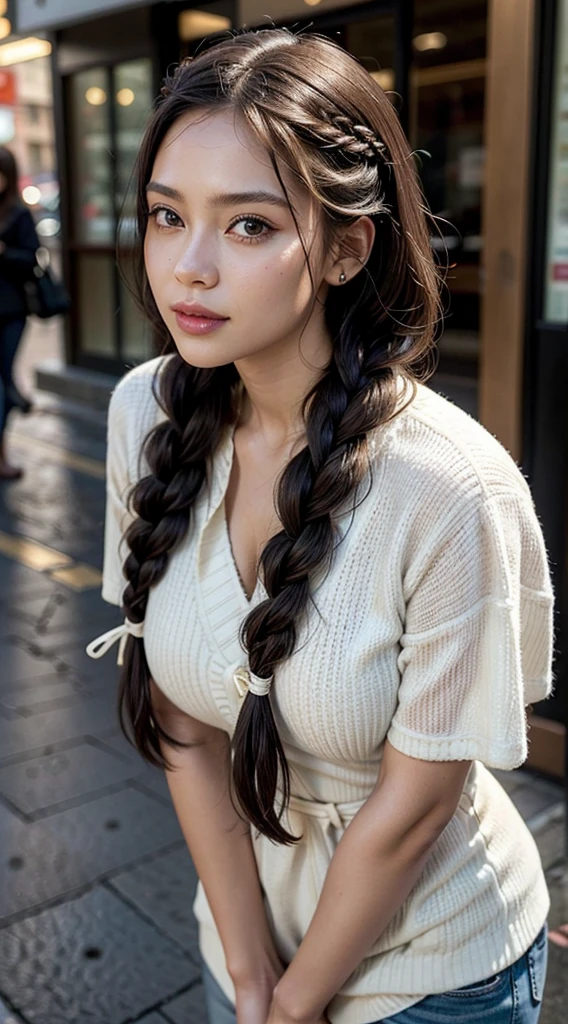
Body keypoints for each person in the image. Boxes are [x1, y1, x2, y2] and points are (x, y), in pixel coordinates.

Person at [86, 28, 553, 1024]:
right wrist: (249, 965)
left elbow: (416, 803)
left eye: (249, 226)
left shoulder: (447, 487)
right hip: (243, 939)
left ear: (348, 246)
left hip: (435, 972)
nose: (189, 268)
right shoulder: (144, 412)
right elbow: (179, 722)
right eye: (167, 216)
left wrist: (294, 1006)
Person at [0, 145, 38, 480]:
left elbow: (30, 259)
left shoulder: (19, 214)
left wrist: (3, 251)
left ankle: (1, 453)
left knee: (3, 379)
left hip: (11, 312)